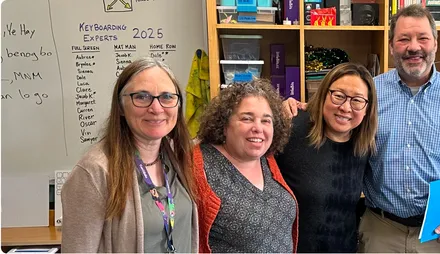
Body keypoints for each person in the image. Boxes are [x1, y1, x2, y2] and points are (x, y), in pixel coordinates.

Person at [283, 4, 440, 252]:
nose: (414, 47)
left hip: (439, 231)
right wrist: (296, 108)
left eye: (422, 38)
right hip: (380, 228)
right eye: (404, 39)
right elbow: (336, 116)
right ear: (391, 45)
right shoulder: (369, 93)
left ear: (435, 42)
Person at [61, 57, 198, 253]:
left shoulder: (178, 157)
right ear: (120, 107)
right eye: (142, 96)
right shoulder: (94, 172)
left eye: (167, 96)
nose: (157, 108)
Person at [276, 62, 378, 252]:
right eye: (338, 96)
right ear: (324, 94)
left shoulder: (364, 144)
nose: (346, 107)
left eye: (357, 100)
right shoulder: (292, 128)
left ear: (367, 108)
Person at [192, 80, 299, 253]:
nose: (258, 128)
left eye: (266, 121)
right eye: (247, 118)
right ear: (224, 124)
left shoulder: (267, 159)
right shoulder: (198, 164)